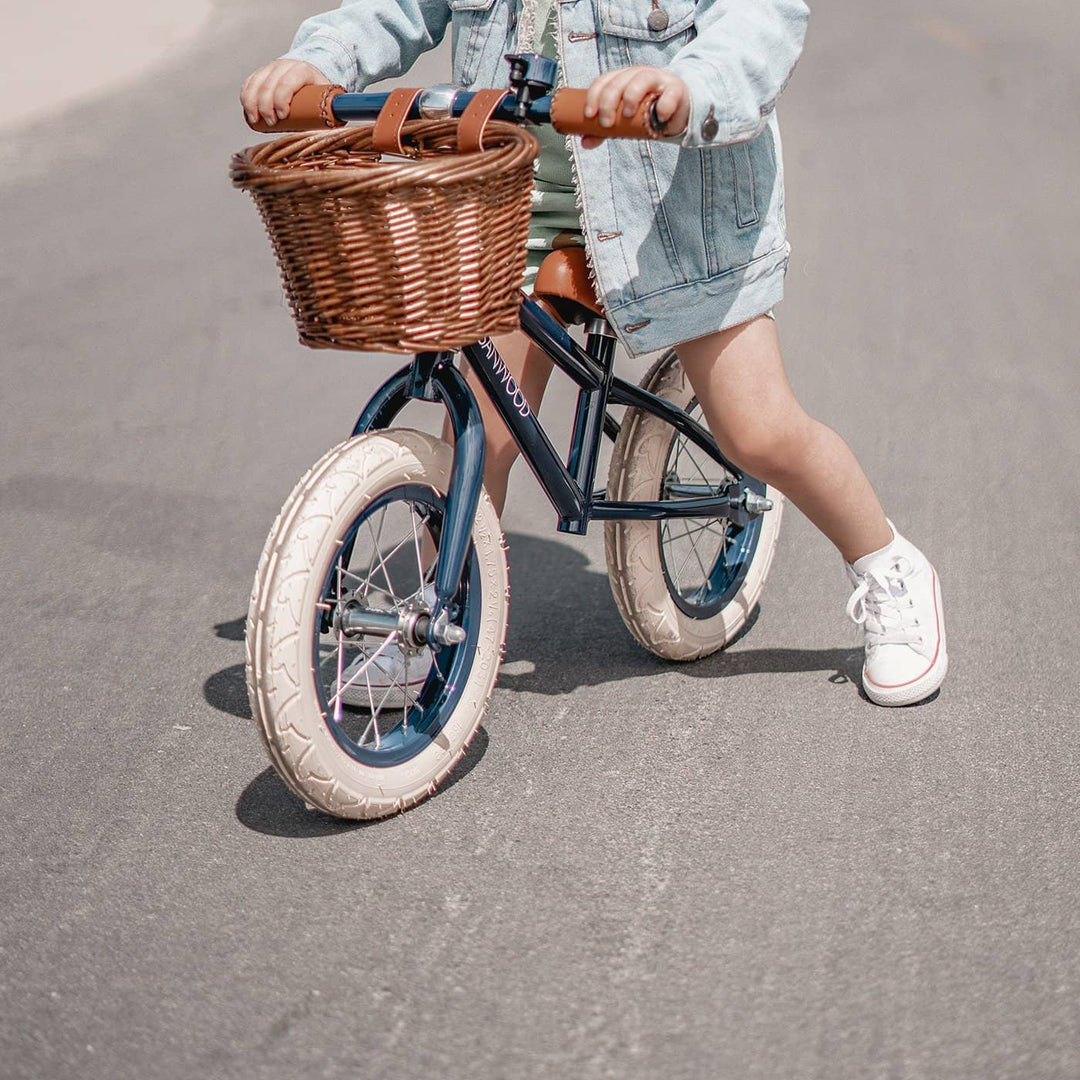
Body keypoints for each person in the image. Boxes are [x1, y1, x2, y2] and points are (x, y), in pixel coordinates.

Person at [240, 0, 947, 707]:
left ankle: (887, 564)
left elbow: (760, 20)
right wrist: (318, 61)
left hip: (670, 220)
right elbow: (395, 8)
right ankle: (433, 613)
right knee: (475, 438)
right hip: (505, 204)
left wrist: (689, 86)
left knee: (756, 429)